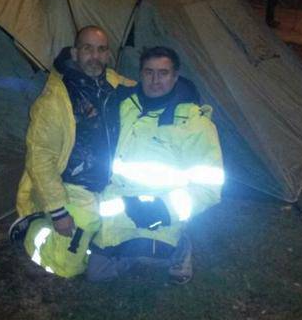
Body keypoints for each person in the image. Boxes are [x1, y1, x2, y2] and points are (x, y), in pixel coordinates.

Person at [87, 46, 224, 282]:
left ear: (175, 76)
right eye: (149, 72)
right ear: (140, 74)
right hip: (120, 206)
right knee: (97, 274)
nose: (155, 80)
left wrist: (164, 211)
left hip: (162, 210)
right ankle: (133, 251)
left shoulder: (195, 124)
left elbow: (209, 188)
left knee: (151, 257)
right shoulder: (124, 106)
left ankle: (179, 246)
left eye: (163, 73)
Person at [10, 26, 134, 277]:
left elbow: (152, 90)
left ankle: (92, 244)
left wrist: (183, 93)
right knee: (66, 269)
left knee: (123, 229)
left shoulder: (114, 84)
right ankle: (34, 227)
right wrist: (58, 211)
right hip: (71, 185)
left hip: (108, 183)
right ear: (75, 53)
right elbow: (40, 156)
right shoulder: (55, 99)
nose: (95, 56)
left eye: (101, 50)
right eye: (87, 49)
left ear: (108, 55)